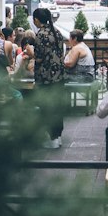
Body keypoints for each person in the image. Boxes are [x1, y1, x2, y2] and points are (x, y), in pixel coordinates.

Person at [31, 8, 67, 150]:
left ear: (37, 20)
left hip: (46, 77)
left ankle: (52, 138)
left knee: (47, 107)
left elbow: (40, 57)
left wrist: (31, 54)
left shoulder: (41, 35)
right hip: (59, 75)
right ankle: (57, 136)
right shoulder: (56, 32)